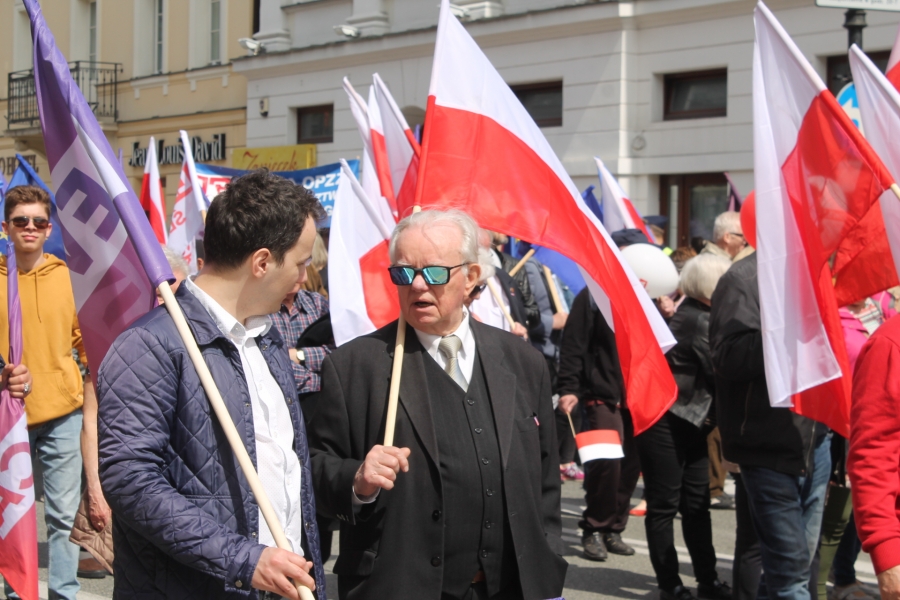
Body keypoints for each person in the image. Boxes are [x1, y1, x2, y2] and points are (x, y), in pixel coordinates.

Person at [305, 209, 567, 600]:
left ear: (471, 277)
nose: (417, 286)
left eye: (434, 273)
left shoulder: (522, 361)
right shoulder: (354, 367)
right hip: (400, 586)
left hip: (509, 587)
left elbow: (545, 480)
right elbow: (314, 469)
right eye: (403, 273)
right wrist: (357, 480)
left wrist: (548, 557)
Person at [98, 170, 326, 600]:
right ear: (262, 262)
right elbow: (130, 480)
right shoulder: (151, 344)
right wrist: (243, 560)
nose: (304, 277)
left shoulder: (268, 337)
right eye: (300, 263)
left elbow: (285, 467)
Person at [710, 251, 830, 600]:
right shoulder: (742, 279)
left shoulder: (818, 272)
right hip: (767, 444)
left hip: (816, 438)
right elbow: (728, 356)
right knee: (791, 575)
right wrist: (788, 325)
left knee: (793, 566)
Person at [1, 185, 89, 600]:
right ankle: (17, 593)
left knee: (63, 515)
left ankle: (63, 594)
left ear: (49, 227)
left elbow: (86, 341)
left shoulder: (67, 278)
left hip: (63, 413)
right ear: (6, 227)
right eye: (21, 220)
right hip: (7, 415)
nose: (30, 227)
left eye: (39, 221)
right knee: (11, 514)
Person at [637, 254, 733, 600]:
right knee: (664, 505)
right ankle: (670, 585)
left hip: (691, 421)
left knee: (696, 505)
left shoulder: (701, 313)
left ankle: (707, 580)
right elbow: (721, 371)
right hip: (667, 421)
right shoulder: (698, 319)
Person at [558, 285, 639, 562]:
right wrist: (569, 387)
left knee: (630, 467)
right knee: (607, 463)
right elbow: (573, 343)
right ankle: (594, 526)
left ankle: (614, 528)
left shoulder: (646, 298)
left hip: (637, 397)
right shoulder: (593, 295)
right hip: (601, 395)